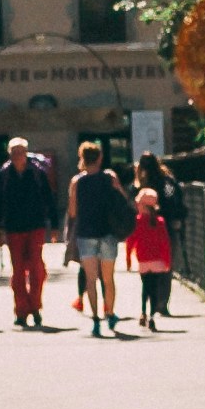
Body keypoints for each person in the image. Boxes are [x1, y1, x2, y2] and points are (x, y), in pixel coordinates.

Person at [0, 137, 62, 329]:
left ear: (26, 153)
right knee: (18, 271)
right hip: (13, 228)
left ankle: (35, 306)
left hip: (35, 226)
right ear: (9, 154)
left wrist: (55, 225)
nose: (17, 155)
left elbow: (49, 198)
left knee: (37, 269)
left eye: (21, 151)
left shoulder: (37, 173)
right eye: (14, 152)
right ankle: (21, 310)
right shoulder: (3, 174)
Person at [69, 142, 134, 336]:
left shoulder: (77, 181)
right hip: (108, 233)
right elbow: (123, 200)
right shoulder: (109, 177)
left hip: (86, 233)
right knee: (108, 278)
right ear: (99, 158)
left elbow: (72, 212)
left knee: (90, 279)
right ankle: (110, 313)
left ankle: (95, 319)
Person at [127, 179, 174, 329]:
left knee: (145, 287)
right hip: (158, 261)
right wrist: (167, 261)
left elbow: (131, 241)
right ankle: (153, 316)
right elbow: (165, 243)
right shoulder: (159, 222)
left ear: (142, 205)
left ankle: (143, 312)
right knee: (154, 289)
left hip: (143, 260)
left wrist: (128, 258)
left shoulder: (137, 221)